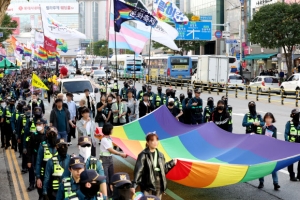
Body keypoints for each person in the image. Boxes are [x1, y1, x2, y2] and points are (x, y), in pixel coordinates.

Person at [131, 132, 177, 199]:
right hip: (147, 184)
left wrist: (172, 163)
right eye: (152, 140)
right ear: (147, 142)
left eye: (156, 140)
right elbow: (138, 171)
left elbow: (163, 170)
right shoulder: (143, 155)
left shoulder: (161, 155)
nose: (155, 142)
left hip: (159, 184)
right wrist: (134, 185)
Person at [99, 123, 127, 196]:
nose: (112, 130)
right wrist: (121, 154)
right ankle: (107, 194)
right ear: (109, 130)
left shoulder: (109, 138)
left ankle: (112, 193)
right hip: (104, 160)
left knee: (111, 177)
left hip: (110, 159)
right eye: (111, 129)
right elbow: (111, 150)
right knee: (106, 178)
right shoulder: (104, 139)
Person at [257, 112, 280, 190]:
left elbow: (275, 139)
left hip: (271, 149)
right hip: (262, 149)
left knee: (274, 167)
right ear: (264, 119)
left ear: (272, 119)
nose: (268, 120)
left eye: (270, 118)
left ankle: (276, 183)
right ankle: (261, 182)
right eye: (266, 118)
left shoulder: (274, 128)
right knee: (262, 166)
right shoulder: (263, 127)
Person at [35, 126, 58, 200]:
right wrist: (38, 178)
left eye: (54, 134)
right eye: (50, 133)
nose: (52, 135)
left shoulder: (60, 146)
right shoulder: (43, 146)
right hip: (43, 177)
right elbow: (38, 162)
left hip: (56, 179)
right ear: (47, 135)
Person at [26, 118, 47, 192]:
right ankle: (32, 183)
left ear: (44, 125)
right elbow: (29, 148)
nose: (38, 126)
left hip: (44, 157)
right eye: (37, 124)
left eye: (40, 124)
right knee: (31, 168)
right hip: (35, 155)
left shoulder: (47, 135)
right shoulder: (33, 135)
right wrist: (28, 160)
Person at [285, 109, 300, 181]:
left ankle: (299, 175)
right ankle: (291, 175)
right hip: (291, 144)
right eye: (296, 114)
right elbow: (286, 133)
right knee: (291, 161)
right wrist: (287, 142)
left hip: (299, 144)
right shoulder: (289, 123)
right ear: (293, 115)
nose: (298, 116)